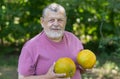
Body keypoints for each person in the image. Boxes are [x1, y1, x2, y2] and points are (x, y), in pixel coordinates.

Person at [18, 3, 85, 79]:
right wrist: (47, 77)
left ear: (65, 21)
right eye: (51, 20)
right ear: (42, 22)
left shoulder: (74, 40)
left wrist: (85, 68)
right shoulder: (30, 47)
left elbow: (79, 69)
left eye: (60, 20)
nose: (56, 24)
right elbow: (22, 78)